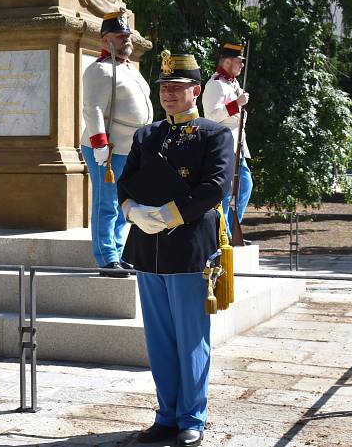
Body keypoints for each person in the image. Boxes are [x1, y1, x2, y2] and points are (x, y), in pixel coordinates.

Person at [118, 51, 234, 447]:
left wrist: (170, 214)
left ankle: (192, 417)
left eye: (177, 88)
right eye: (165, 87)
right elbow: (126, 181)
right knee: (160, 340)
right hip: (148, 250)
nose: (168, 94)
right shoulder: (146, 135)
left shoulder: (215, 134)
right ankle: (166, 414)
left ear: (196, 91)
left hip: (189, 249)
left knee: (190, 338)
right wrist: (131, 209)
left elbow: (215, 187)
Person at [81, 10, 153, 274]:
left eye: (127, 35)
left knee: (125, 203)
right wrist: (100, 144)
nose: (126, 40)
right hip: (108, 149)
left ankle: (119, 251)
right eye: (120, 36)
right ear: (105, 40)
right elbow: (92, 110)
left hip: (131, 148)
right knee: (107, 203)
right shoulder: (99, 70)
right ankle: (106, 256)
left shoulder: (128, 69)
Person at [201, 42, 252, 239]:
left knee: (245, 186)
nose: (242, 66)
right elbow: (211, 117)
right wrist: (236, 105)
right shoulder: (215, 84)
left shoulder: (232, 83)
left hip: (237, 144)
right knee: (226, 191)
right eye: (239, 62)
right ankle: (222, 232)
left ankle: (228, 229)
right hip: (224, 146)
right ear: (228, 61)